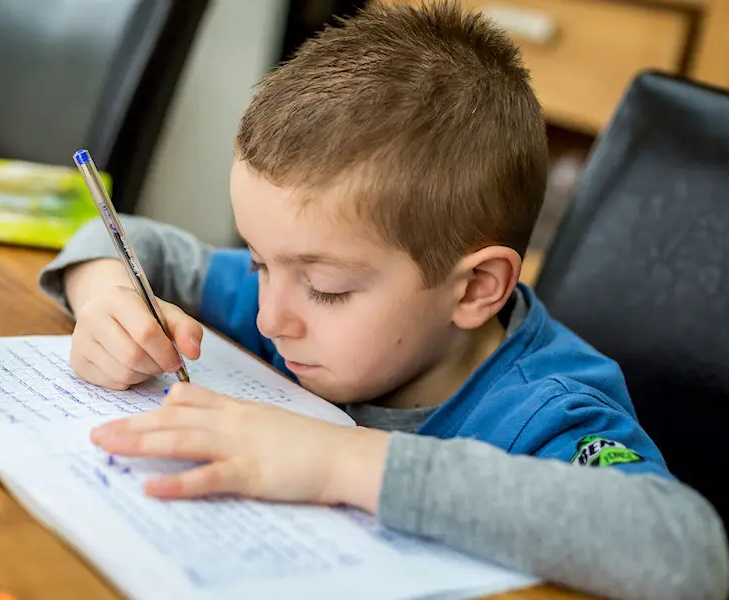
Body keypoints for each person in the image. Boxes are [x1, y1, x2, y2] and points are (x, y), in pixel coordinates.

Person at [38, 2, 729, 598]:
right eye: (256, 260)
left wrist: (339, 460)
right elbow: (127, 238)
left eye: (327, 288)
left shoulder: (545, 411)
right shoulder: (288, 295)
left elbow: (687, 552)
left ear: (475, 289)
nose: (268, 315)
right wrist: (106, 297)